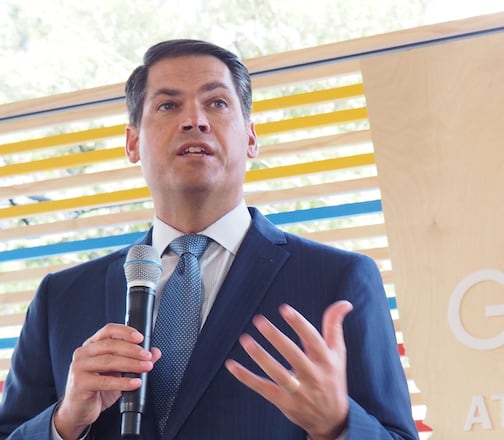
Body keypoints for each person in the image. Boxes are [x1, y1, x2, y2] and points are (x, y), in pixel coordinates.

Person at [0, 39, 418, 440]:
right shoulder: (62, 297)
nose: (194, 120)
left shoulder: (338, 278)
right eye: (168, 105)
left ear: (251, 138)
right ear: (132, 144)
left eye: (217, 103)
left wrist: (337, 426)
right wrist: (63, 422)